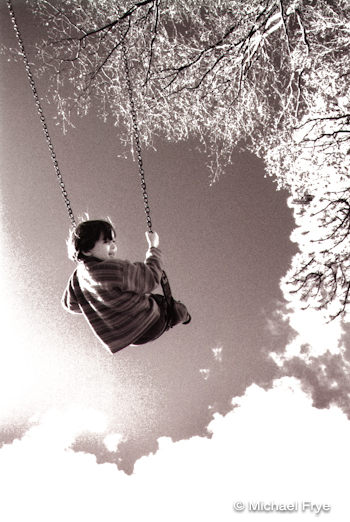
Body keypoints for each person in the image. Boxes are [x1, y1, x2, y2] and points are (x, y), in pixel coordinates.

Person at [62, 219, 191, 354]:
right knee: (167, 306)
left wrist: (95, 301)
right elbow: (151, 278)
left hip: (129, 339)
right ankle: (185, 316)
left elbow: (70, 305)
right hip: (151, 322)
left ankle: (177, 315)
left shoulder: (77, 278)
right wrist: (153, 247)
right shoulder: (113, 269)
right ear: (87, 250)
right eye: (106, 242)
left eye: (114, 242)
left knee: (149, 299)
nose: (113, 247)